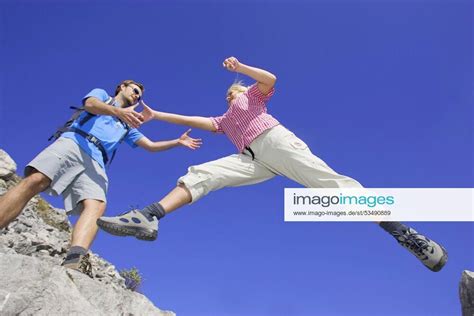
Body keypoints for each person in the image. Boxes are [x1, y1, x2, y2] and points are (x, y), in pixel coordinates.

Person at [97, 59, 448, 272]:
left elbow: (270, 79)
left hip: (275, 142)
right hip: (253, 160)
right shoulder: (224, 119)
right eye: (228, 94)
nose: (229, 97)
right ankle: (150, 215)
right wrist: (157, 115)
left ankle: (403, 232)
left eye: (232, 92)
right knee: (204, 174)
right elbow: (196, 119)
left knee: (335, 188)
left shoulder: (252, 96)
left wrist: (240, 70)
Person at [0, 80, 202, 276]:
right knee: (36, 180)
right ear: (122, 87)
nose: (136, 97)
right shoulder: (104, 96)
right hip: (75, 142)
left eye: (139, 96)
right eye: (134, 90)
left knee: (97, 205)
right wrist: (118, 112)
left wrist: (178, 141)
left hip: (97, 161)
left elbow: (150, 146)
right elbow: (90, 105)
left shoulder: (127, 126)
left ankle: (74, 260)